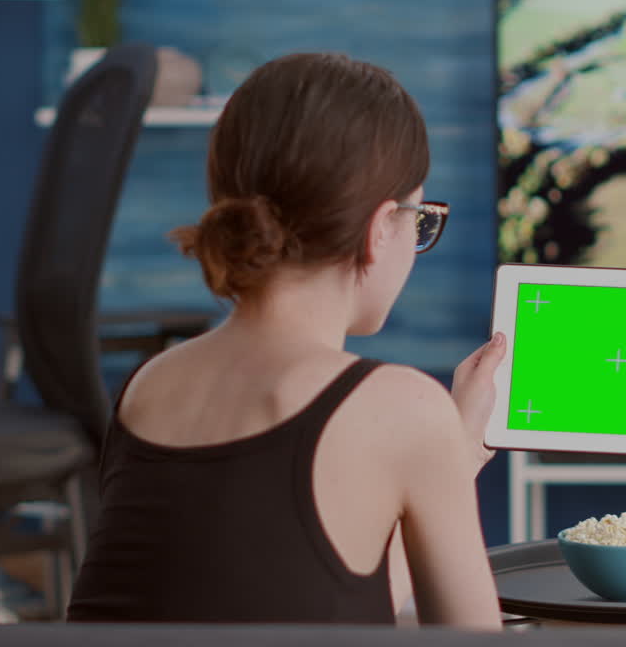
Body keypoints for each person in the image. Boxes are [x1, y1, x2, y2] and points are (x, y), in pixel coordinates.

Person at [66, 53, 505, 629]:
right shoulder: (403, 406)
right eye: (419, 219)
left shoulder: (150, 384)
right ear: (380, 229)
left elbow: (318, 593)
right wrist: (446, 441)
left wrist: (458, 452)